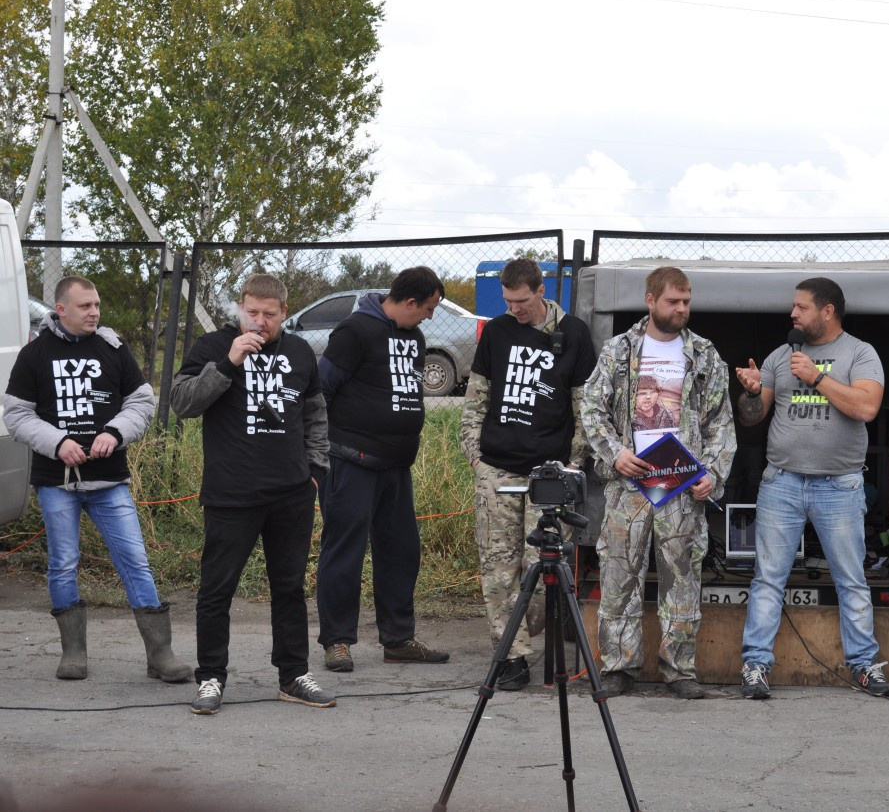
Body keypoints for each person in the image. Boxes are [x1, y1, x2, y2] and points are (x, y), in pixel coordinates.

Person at [3, 276, 190, 684]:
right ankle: (74, 653)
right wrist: (57, 443)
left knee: (136, 563)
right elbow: (16, 415)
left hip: (110, 483)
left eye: (97, 304)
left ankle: (161, 655)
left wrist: (116, 432)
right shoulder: (34, 355)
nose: (94, 312)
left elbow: (141, 401)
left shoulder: (113, 349)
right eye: (85, 305)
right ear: (61, 309)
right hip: (58, 483)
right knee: (63, 564)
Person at [171, 273, 333, 715]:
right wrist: (228, 363)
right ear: (240, 308)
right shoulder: (212, 347)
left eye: (269, 314)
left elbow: (316, 412)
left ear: (284, 312)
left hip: (291, 493)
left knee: (289, 588)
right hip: (231, 494)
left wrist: (315, 470)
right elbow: (183, 403)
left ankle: (293, 675)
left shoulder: (300, 352)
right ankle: (210, 678)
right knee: (216, 591)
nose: (259, 322)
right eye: (252, 312)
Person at [581, 266, 735, 699]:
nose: (682, 309)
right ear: (650, 300)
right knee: (619, 576)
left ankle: (680, 670)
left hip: (681, 488)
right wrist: (616, 453)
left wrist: (712, 473)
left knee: (682, 577)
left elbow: (720, 423)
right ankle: (617, 667)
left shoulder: (704, 355)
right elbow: (591, 409)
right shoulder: (618, 351)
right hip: (629, 486)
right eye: (673, 301)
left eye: (687, 301)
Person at [736, 277, 887, 700]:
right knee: (768, 578)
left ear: (827, 311)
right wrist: (749, 392)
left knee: (851, 580)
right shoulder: (780, 357)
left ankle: (863, 667)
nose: (793, 314)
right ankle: (755, 667)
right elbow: (752, 419)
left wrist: (817, 378)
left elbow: (867, 407)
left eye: (801, 307)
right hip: (781, 482)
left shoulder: (860, 353)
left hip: (839, 486)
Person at [460, 258, 596, 691]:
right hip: (497, 469)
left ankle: (531, 635)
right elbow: (475, 401)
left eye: (521, 301)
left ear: (541, 290)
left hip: (549, 472)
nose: (514, 309)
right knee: (498, 568)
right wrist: (475, 459)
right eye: (508, 301)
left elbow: (583, 410)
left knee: (541, 568)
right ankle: (512, 657)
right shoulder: (497, 333)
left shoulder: (572, 334)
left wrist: (573, 465)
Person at [315, 267, 451, 674]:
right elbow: (320, 391)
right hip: (350, 461)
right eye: (427, 308)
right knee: (344, 553)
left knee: (401, 552)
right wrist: (319, 454)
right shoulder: (354, 331)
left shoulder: (415, 337)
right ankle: (337, 642)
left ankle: (398, 640)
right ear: (410, 302)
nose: (429, 316)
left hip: (396, 467)